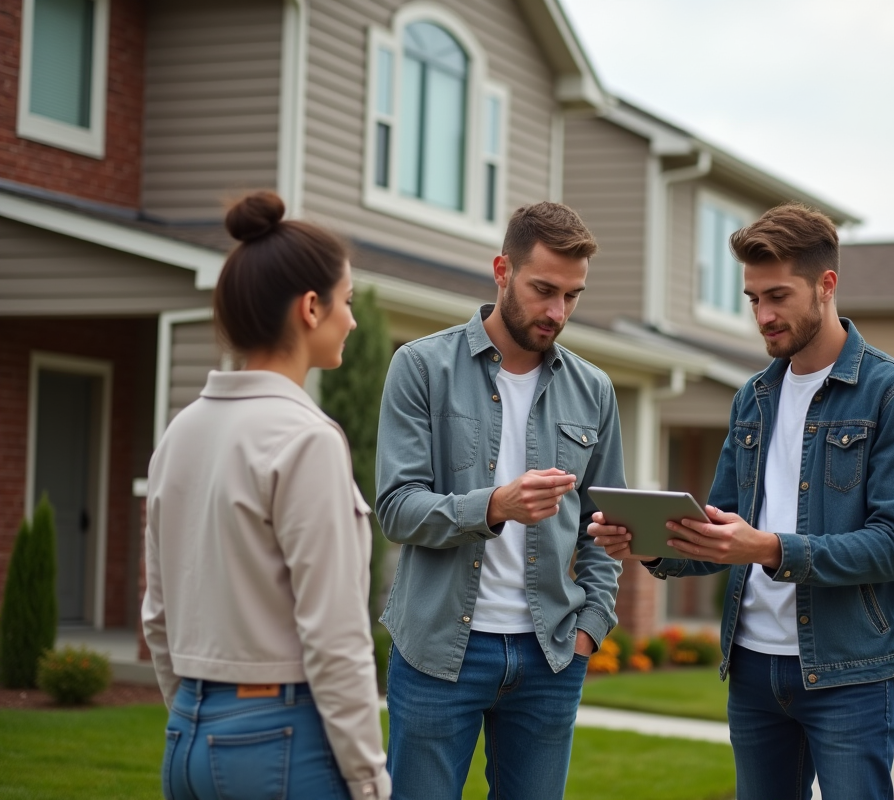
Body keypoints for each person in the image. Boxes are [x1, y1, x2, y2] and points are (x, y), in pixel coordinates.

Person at [591, 203, 894, 800]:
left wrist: (771, 548)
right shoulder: (753, 397)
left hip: (850, 671)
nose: (763, 315)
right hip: (752, 666)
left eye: (777, 296)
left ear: (826, 286)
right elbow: (720, 529)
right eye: (753, 299)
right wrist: (649, 546)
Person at [142, 191, 390, 800]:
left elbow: (157, 617)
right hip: (280, 742)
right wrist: (368, 781)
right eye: (347, 301)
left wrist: (198, 711)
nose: (352, 320)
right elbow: (335, 638)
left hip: (187, 740)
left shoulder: (181, 432)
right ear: (311, 307)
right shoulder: (306, 439)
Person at [375, 202, 624, 799]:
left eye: (572, 295)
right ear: (502, 271)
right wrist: (493, 507)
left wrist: (592, 625)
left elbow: (605, 524)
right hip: (439, 653)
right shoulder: (420, 367)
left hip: (550, 657)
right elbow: (397, 507)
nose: (557, 311)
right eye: (543, 289)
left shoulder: (594, 390)